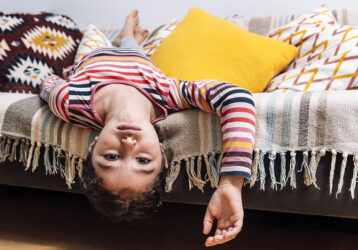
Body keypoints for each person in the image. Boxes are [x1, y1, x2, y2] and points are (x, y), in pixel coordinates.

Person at [40, 10, 255, 247]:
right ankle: (128, 36)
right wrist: (230, 184)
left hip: (93, 57)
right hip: (140, 59)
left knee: (97, 37)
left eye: (111, 156)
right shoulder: (168, 93)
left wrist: (69, 76)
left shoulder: (70, 102)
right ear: (163, 154)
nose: (129, 143)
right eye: (143, 161)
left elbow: (48, 83)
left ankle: (126, 34)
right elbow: (236, 97)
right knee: (134, 48)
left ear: (92, 147)